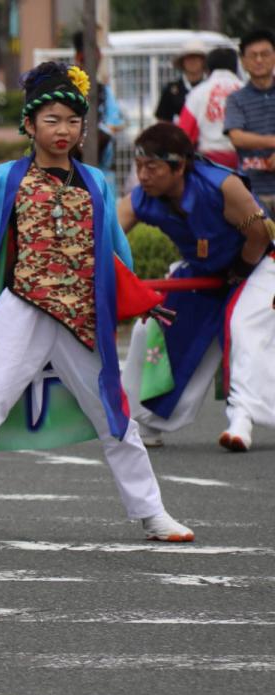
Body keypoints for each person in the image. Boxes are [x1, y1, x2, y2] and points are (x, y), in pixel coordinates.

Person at [0, 63, 193, 549]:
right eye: (51, 119)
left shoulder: (95, 183)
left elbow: (114, 251)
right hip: (21, 307)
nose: (63, 130)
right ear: (29, 125)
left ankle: (153, 514)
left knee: (114, 414)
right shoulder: (6, 179)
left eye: (72, 120)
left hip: (81, 315)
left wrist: (136, 299)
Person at [120, 123, 275, 452]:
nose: (143, 175)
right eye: (138, 167)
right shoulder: (141, 199)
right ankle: (140, 421)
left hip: (258, 264)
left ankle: (241, 420)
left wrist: (238, 272)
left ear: (179, 167)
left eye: (152, 167)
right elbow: (107, 236)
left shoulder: (223, 186)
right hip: (204, 272)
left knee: (241, 325)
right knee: (149, 329)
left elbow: (259, 236)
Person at [225, 29, 275, 216]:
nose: (259, 60)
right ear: (243, 62)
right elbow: (237, 137)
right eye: (253, 55)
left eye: (265, 54)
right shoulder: (236, 99)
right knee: (259, 242)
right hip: (252, 193)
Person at [72, 32, 125, 192]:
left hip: (103, 168)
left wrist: (95, 137)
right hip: (73, 167)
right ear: (79, 58)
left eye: (96, 58)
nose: (92, 63)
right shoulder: (68, 90)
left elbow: (114, 123)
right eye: (86, 59)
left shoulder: (104, 91)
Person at [178, 47, 244, 169]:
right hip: (245, 161)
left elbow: (184, 135)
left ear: (207, 69)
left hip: (209, 163)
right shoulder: (245, 90)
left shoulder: (197, 93)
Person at [155, 38, 208, 123]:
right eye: (188, 58)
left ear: (203, 61)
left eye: (196, 58)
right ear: (182, 62)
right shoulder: (171, 89)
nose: (192, 61)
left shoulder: (211, 87)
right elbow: (163, 120)